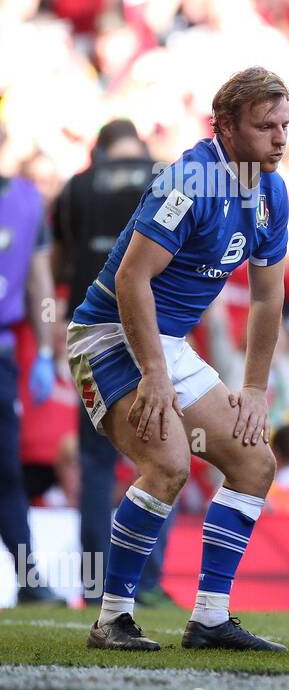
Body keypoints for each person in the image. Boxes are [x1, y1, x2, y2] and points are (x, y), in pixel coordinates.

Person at [66, 66, 289, 652]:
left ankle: (210, 620)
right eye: (265, 126)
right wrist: (155, 376)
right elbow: (131, 279)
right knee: (168, 465)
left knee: (254, 463)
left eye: (285, 125)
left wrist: (257, 389)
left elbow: (269, 297)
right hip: (108, 335)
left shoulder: (271, 189)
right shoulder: (190, 180)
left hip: (166, 343)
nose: (280, 138)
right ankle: (112, 618)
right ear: (226, 126)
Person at [53, 119, 177, 605]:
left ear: (98, 150)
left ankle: (96, 583)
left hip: (94, 336)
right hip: (156, 333)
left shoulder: (76, 187)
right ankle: (147, 581)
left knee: (96, 462)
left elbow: (61, 262)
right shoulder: (165, 177)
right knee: (166, 455)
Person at [0, 171, 59, 604]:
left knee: (6, 469)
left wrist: (43, 349)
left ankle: (29, 577)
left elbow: (41, 285)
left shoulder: (28, 198)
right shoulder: (27, 198)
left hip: (2, 350)